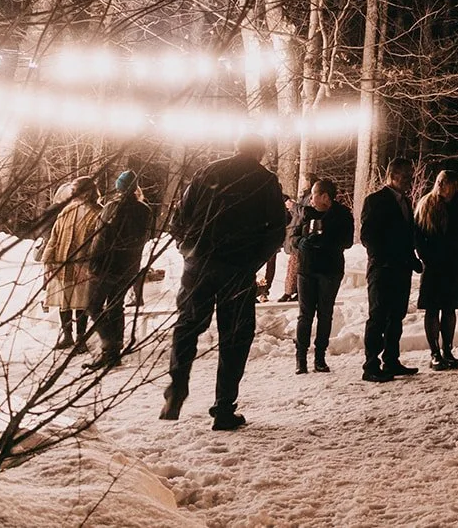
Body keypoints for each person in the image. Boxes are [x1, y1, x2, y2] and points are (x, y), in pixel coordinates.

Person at [161, 134, 288, 431]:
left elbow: (179, 217)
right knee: (235, 337)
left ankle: (176, 390)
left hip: (200, 264)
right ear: (261, 152)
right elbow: (276, 231)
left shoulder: (206, 172)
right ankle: (223, 408)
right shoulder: (265, 181)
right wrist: (252, 262)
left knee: (187, 325)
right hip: (237, 269)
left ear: (236, 146)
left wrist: (189, 250)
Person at [361, 157, 422, 383]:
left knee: (396, 316)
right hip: (383, 268)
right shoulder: (375, 201)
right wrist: (384, 258)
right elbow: (368, 236)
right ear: (393, 176)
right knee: (377, 316)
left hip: (401, 268)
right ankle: (371, 365)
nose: (410, 181)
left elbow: (407, 236)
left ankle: (392, 359)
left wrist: (412, 259)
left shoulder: (406, 202)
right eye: (406, 176)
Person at [83, 171, 151, 370]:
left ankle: (109, 345)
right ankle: (114, 355)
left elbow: (100, 237)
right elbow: (144, 238)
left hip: (107, 265)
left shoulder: (112, 207)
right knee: (116, 306)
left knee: (92, 306)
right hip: (129, 266)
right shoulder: (145, 210)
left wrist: (93, 264)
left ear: (119, 187)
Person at [415, 163, 458, 372]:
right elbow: (418, 234)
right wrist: (425, 256)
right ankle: (434, 353)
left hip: (455, 265)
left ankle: (448, 351)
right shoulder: (427, 204)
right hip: (433, 264)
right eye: (439, 182)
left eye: (446, 183)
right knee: (432, 308)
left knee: (449, 308)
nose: (441, 185)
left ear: (455, 186)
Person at [291, 177, 353, 374]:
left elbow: (347, 242)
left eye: (314, 194)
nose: (310, 198)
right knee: (305, 315)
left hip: (330, 270)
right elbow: (292, 238)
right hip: (306, 269)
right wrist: (301, 242)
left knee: (325, 314)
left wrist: (322, 240)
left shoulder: (343, 215)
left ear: (325, 197)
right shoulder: (305, 214)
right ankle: (300, 359)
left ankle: (320, 357)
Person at [42, 176, 101, 353]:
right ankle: (67, 335)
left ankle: (81, 338)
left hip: (83, 265)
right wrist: (48, 260)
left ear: (89, 191)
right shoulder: (67, 210)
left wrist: (89, 263)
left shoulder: (98, 212)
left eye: (77, 191)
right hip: (62, 262)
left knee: (81, 302)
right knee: (64, 300)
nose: (74, 194)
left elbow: (99, 241)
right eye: (73, 191)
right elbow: (55, 236)